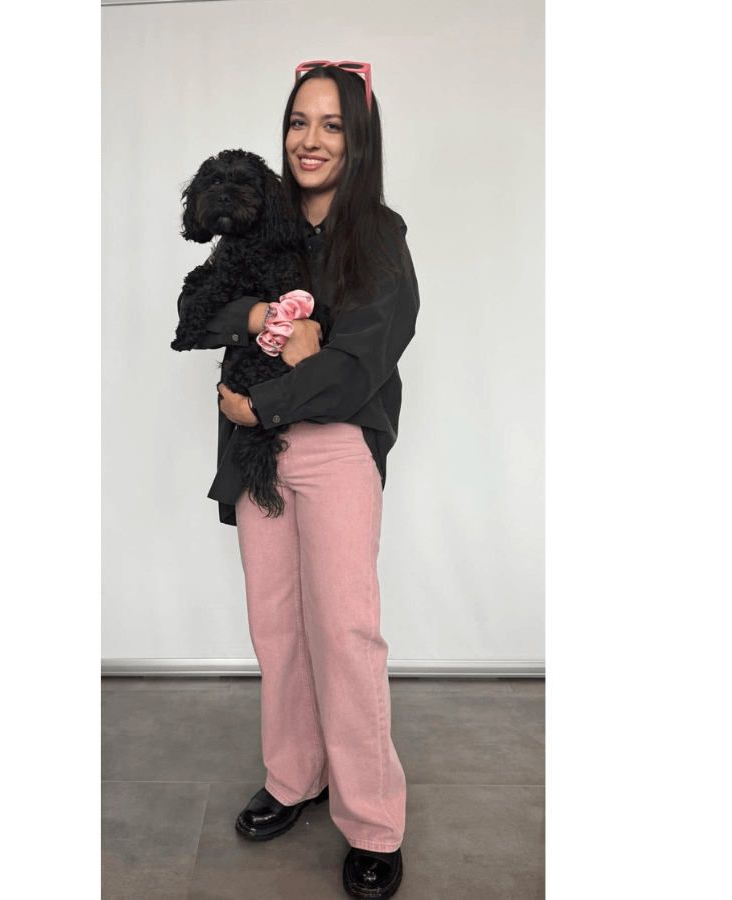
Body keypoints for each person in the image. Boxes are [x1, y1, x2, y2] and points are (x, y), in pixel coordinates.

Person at [178, 61, 419, 899]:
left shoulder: (377, 235)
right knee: (276, 627)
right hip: (258, 456)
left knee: (345, 633)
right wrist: (263, 318)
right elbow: (198, 309)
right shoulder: (258, 218)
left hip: (333, 448)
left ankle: (374, 823)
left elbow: (360, 363)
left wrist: (265, 401)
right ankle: (294, 778)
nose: (310, 141)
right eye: (298, 123)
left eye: (332, 125)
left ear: (358, 141)